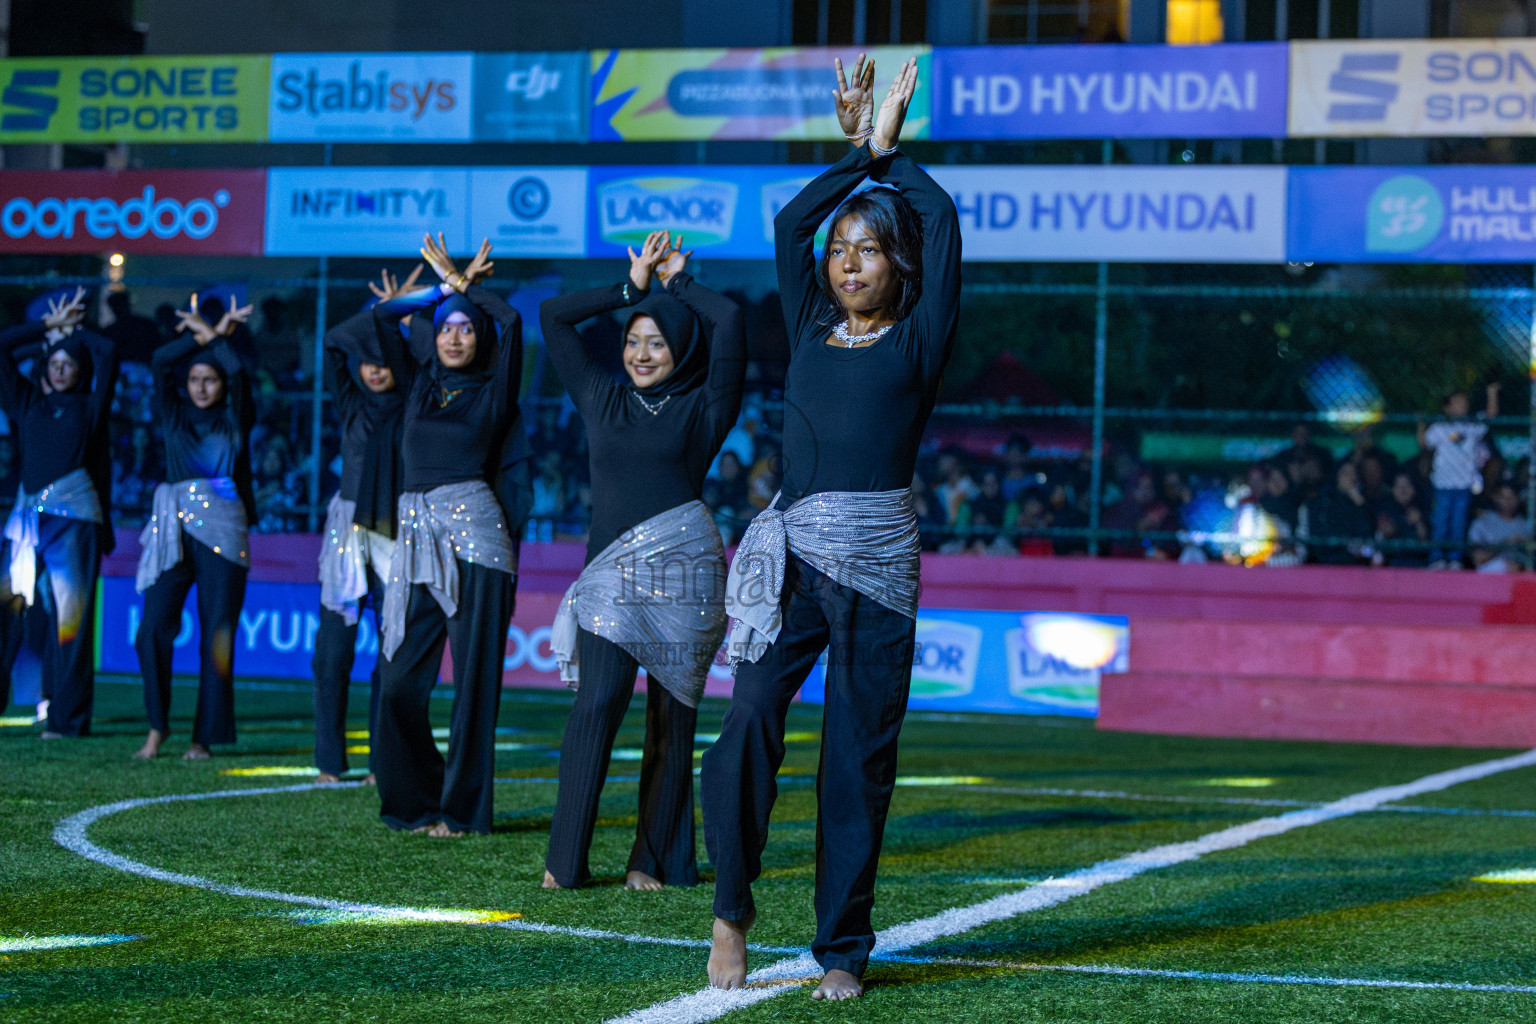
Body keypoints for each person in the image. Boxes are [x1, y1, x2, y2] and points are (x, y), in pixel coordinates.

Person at [702, 55, 957, 1001]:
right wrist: (856, 153)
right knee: (746, 724)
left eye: (870, 249)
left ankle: (842, 951)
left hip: (878, 571)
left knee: (856, 760)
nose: (848, 261)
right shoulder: (810, 321)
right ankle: (730, 911)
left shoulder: (921, 338)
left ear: (899, 265)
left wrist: (892, 157)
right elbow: (789, 224)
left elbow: (941, 218)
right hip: (792, 560)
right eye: (841, 248)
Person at [540, 230, 745, 891]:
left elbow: (730, 321)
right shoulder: (602, 396)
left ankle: (653, 859)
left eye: (656, 342)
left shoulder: (704, 407)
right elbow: (553, 317)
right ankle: (564, 862)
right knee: (597, 702)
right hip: (609, 576)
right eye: (633, 340)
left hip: (684, 574)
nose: (641, 353)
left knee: (670, 720)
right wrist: (629, 290)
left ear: (680, 348)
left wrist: (679, 284)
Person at [370, 236, 522, 838]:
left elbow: (512, 321)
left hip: (478, 539)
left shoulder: (493, 389)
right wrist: (445, 288)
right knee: (396, 680)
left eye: (465, 329)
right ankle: (416, 800)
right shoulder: (418, 385)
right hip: (417, 540)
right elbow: (383, 315)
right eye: (445, 328)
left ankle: (462, 814)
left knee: (473, 686)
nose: (455, 337)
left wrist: (467, 289)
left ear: (479, 336)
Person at [311, 266, 421, 785]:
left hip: (398, 536)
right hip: (348, 532)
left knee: (390, 657)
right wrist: (381, 311)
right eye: (368, 362)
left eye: (384, 361)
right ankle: (330, 763)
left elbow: (419, 354)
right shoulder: (351, 405)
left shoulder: (416, 401)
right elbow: (335, 341)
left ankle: (383, 763)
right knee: (331, 655)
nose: (375, 370)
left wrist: (399, 319)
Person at [133, 296, 256, 760]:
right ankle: (157, 726)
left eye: (210, 379)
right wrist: (202, 334)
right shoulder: (174, 413)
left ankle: (203, 738)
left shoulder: (234, 418)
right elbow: (159, 361)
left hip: (223, 529)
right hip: (173, 529)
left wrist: (215, 339)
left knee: (217, 635)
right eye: (195, 379)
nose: (202, 387)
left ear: (221, 385)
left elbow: (239, 372)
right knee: (151, 630)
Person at [0, 288, 117, 738]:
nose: (61, 368)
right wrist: (49, 329)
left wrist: (75, 332)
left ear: (80, 370)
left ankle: (67, 720)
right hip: (27, 522)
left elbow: (108, 352)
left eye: (69, 363)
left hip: (73, 521)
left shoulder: (90, 408)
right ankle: (24, 701)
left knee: (71, 623)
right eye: (55, 362)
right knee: (11, 611)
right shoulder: (28, 402)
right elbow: (3, 346)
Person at [1419, 384, 1499, 569]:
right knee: (1440, 521)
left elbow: (1491, 416)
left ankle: (1455, 558)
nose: (1463, 405)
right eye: (1458, 402)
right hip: (1442, 485)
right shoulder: (1440, 428)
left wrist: (1491, 394)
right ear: (1448, 407)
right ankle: (1437, 557)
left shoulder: (1471, 425)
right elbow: (1424, 442)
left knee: (1458, 523)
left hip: (1463, 485)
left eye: (1464, 401)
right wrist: (1420, 423)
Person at [1469, 481, 1531, 572]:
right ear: (1495, 497)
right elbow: (1477, 560)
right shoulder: (1482, 522)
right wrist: (1505, 544)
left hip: (1518, 577)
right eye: (1503, 497)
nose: (1507, 502)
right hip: (1487, 576)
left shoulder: (1526, 526)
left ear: (1518, 499)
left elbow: (1529, 563)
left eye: (1511, 497)